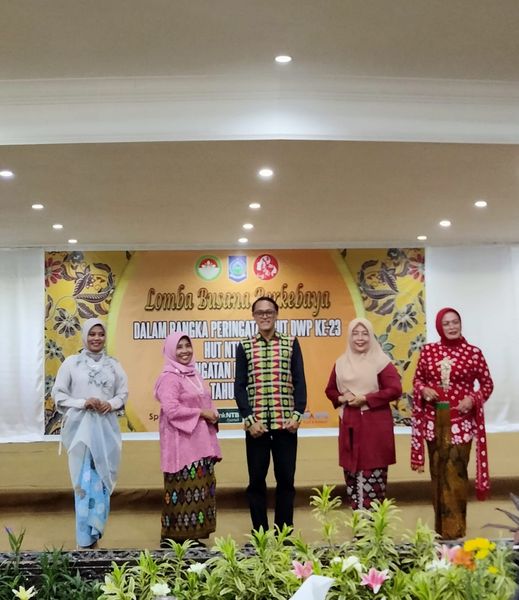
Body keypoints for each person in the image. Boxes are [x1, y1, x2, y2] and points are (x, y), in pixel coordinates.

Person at [411, 307, 493, 539]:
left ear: (460, 324)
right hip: (434, 423)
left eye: (455, 322)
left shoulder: (473, 353)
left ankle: (456, 530)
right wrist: (423, 390)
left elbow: (487, 384)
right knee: (437, 474)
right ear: (439, 326)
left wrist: (473, 399)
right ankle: (440, 530)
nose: (451, 326)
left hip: (460, 423)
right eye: (446, 323)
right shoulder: (428, 351)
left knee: (456, 474)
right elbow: (417, 380)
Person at [52, 318, 128, 549]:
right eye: (92, 334)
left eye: (100, 334)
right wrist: (83, 402)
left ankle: (96, 532)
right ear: (85, 336)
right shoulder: (71, 364)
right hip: (80, 431)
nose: (96, 338)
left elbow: (123, 394)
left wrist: (110, 404)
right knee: (83, 483)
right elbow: (58, 394)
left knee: (102, 480)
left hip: (106, 431)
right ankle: (84, 540)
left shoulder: (114, 365)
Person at [234, 296, 307, 531]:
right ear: (254, 316)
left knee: (286, 481)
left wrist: (297, 416)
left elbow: (300, 381)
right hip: (257, 428)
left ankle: (283, 534)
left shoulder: (291, 343)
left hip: (285, 425)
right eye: (260, 312)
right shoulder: (245, 346)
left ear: (276, 314)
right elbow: (239, 386)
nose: (265, 316)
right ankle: (260, 534)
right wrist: (249, 420)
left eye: (269, 312)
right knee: (256, 482)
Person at [325, 317, 402, 510]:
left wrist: (366, 398)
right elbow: (330, 390)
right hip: (349, 425)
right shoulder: (341, 363)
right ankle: (358, 522)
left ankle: (372, 525)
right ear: (349, 337)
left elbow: (395, 389)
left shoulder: (381, 362)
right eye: (355, 334)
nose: (360, 338)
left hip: (374, 427)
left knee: (372, 477)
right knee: (352, 478)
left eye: (365, 333)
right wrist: (342, 397)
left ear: (371, 336)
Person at [154, 332, 221, 547]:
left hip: (200, 443)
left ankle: (191, 538)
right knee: (182, 490)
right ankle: (172, 539)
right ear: (170, 351)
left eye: (187, 346)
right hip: (181, 446)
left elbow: (204, 401)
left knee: (200, 491)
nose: (185, 351)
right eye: (179, 347)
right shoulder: (169, 378)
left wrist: (212, 412)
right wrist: (202, 413)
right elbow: (172, 410)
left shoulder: (193, 374)